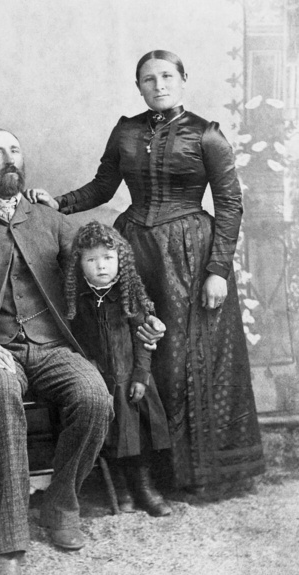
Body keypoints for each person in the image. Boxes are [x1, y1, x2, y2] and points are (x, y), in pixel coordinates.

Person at [28, 50, 265, 495]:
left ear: (183, 79)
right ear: (138, 86)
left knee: (187, 355)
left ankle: (192, 473)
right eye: (148, 79)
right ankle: (143, 473)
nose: (158, 84)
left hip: (192, 255)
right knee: (138, 351)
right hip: (135, 249)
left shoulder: (206, 134)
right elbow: (103, 184)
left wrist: (218, 269)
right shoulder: (126, 130)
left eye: (167, 76)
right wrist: (59, 202)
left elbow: (230, 205)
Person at [0, 128, 160, 575]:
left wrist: (140, 315)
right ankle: (10, 542)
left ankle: (60, 503)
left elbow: (102, 271)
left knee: (95, 396)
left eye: (15, 150)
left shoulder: (49, 220)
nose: (9, 158)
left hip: (54, 346)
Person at [65, 220, 171, 516]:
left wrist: (141, 376)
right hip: (100, 382)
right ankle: (121, 489)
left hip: (130, 381)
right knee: (109, 438)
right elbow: (76, 343)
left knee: (137, 439)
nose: (101, 266)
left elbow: (143, 341)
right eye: (92, 259)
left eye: (108, 258)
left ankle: (145, 489)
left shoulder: (127, 295)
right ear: (80, 263)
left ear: (120, 259)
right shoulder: (78, 301)